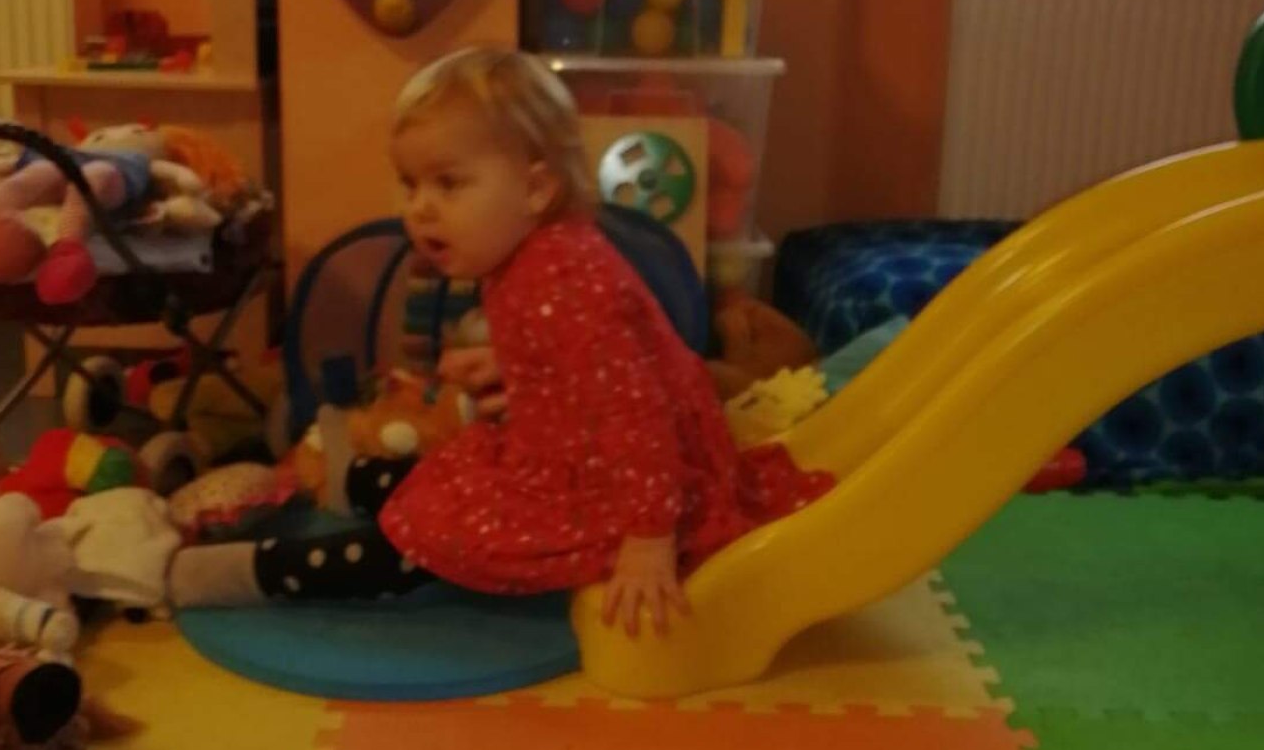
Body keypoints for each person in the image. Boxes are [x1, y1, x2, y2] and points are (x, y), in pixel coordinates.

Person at [172, 48, 830, 635]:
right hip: (566, 452)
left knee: (426, 549)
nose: (419, 207)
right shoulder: (527, 256)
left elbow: (637, 415)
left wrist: (649, 539)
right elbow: (578, 362)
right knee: (454, 473)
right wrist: (512, 365)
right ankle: (356, 478)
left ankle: (245, 572)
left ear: (536, 189)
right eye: (410, 183)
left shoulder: (567, 280)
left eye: (449, 183)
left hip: (627, 486)